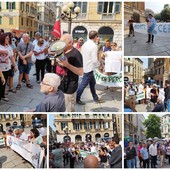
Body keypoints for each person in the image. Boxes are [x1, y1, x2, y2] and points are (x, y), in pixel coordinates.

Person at [56, 34, 83, 112]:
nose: (60, 43)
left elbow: (80, 72)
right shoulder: (61, 51)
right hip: (60, 84)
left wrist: (67, 65)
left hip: (70, 87)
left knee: (68, 110)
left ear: (70, 43)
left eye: (63, 42)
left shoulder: (76, 54)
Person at [76, 30, 104, 105]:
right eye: (97, 36)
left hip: (85, 66)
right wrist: (99, 64)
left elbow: (81, 54)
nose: (97, 37)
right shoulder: (94, 46)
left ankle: (95, 98)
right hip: (89, 67)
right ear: (95, 37)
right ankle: (77, 99)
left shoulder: (85, 44)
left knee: (92, 83)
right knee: (83, 84)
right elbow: (94, 59)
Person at [0, 33, 17, 102]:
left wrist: (15, 65)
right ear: (3, 39)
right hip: (0, 69)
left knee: (4, 83)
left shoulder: (9, 47)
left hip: (7, 67)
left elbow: (11, 57)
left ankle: (2, 96)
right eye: (6, 38)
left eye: (8, 38)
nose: (8, 39)